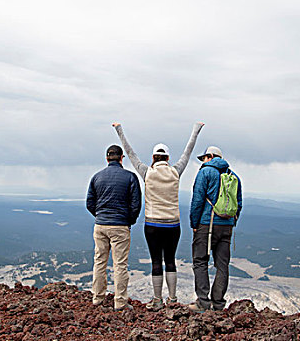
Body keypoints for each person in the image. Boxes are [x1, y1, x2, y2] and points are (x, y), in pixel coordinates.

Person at [113, 122, 204, 310]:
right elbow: (188, 151)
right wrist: (196, 130)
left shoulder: (147, 172)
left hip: (153, 225)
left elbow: (130, 153)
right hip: (173, 225)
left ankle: (157, 300)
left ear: (154, 157)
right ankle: (172, 299)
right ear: (168, 157)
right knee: (170, 260)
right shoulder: (175, 172)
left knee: (156, 261)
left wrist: (119, 130)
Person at [86, 145, 142, 311]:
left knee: (99, 262)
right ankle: (120, 302)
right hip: (120, 226)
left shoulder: (97, 177)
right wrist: (128, 221)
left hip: (101, 225)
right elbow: (135, 205)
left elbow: (90, 203)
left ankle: (97, 298)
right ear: (121, 158)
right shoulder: (130, 177)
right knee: (120, 265)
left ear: (107, 158)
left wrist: (100, 215)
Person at [189, 146, 243, 312]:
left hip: (207, 224)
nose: (203, 161)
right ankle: (218, 303)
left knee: (200, 261)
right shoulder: (234, 176)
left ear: (210, 156)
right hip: (226, 226)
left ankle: (203, 302)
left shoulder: (205, 173)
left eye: (204, 158)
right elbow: (238, 204)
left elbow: (197, 201)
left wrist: (194, 224)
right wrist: (231, 223)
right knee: (222, 265)